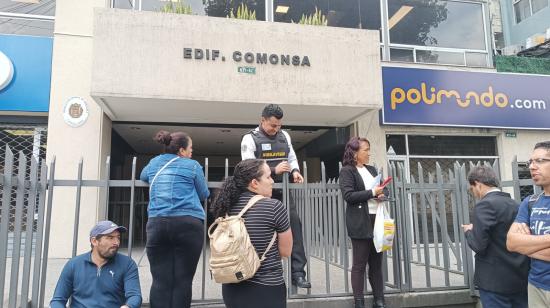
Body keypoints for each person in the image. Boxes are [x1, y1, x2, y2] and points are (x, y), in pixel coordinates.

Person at [240, 103, 311, 288]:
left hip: (283, 191)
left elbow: (291, 157)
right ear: (262, 120)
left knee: (294, 228)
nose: (276, 129)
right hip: (259, 194)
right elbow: (248, 168)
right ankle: (255, 272)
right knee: (260, 233)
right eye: (272, 125)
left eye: (279, 125)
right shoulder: (249, 139)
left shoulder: (284, 135)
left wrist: (295, 170)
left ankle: (298, 274)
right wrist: (273, 169)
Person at [140, 130, 210, 308]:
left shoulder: (154, 162)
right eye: (190, 148)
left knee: (160, 279)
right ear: (181, 150)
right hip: (188, 224)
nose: (192, 152)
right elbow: (204, 193)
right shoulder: (192, 165)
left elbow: (142, 176)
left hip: (157, 223)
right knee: (183, 280)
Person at [211, 159, 292, 308]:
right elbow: (286, 251)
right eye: (268, 177)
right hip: (267, 288)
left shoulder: (226, 205)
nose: (272, 181)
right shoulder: (274, 206)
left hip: (232, 285)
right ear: (254, 183)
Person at [462, 165, 529, 308]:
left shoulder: (484, 205)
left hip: (494, 282)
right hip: (519, 278)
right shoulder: (515, 204)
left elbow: (478, 245)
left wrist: (468, 231)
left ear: (478, 184)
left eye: (472, 188)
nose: (473, 193)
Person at [339, 137, 387, 308]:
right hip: (360, 221)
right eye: (365, 150)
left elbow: (383, 189)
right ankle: (359, 302)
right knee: (359, 264)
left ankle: (379, 300)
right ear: (354, 153)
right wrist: (372, 192)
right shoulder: (347, 171)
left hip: (377, 219)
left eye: (369, 149)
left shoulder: (372, 169)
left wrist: (382, 194)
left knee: (376, 263)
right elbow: (349, 196)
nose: (369, 153)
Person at [50, 221, 142, 308]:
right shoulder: (74, 265)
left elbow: (135, 296)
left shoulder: (127, 264)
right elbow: (57, 300)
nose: (116, 242)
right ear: (94, 241)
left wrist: (128, 306)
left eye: (118, 237)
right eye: (110, 238)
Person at [507, 141, 550, 307]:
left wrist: (528, 246)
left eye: (540, 161)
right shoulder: (530, 202)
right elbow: (511, 243)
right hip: (535, 285)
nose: (532, 167)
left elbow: (521, 246)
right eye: (530, 162)